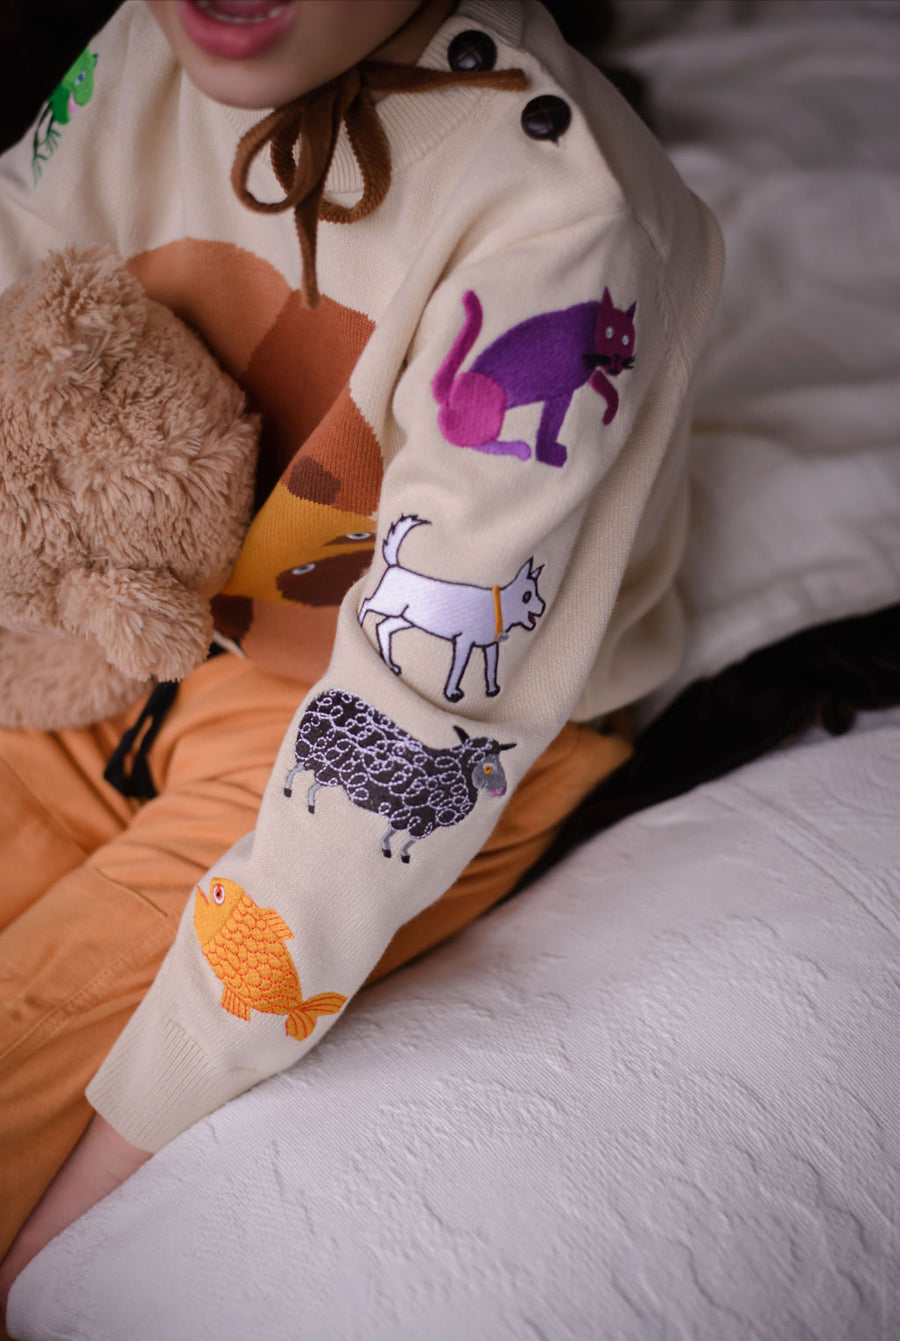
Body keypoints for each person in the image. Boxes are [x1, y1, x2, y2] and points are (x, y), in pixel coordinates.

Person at [0, 0, 722, 1310]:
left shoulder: (559, 224)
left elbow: (410, 732)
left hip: (361, 737)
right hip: (126, 626)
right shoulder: (145, 47)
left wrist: (100, 1166)